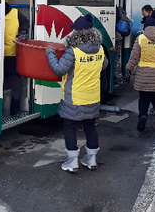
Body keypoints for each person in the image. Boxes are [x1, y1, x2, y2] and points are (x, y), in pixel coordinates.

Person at [45, 14, 108, 172]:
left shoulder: (73, 51)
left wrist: (50, 54)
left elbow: (59, 69)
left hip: (74, 96)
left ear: (77, 33)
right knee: (90, 126)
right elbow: (104, 64)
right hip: (93, 95)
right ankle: (91, 159)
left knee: (69, 126)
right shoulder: (100, 49)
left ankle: (72, 161)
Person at [4, 2, 29, 116]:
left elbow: (25, 22)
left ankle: (15, 109)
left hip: (12, 55)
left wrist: (23, 31)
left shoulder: (15, 13)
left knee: (15, 82)